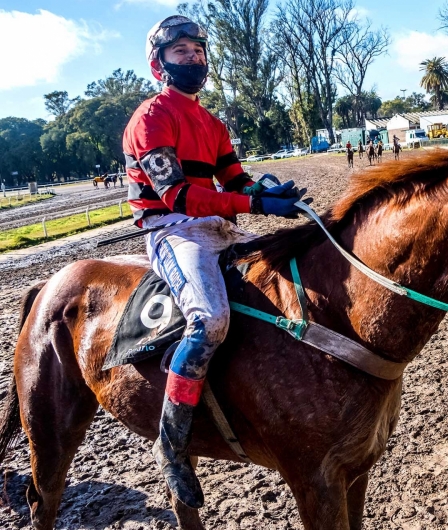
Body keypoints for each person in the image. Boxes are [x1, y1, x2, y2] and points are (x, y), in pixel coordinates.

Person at [122, 15, 309, 509]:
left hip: (217, 225)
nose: (194, 58)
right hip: (172, 229)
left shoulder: (212, 121)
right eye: (181, 51)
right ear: (159, 62)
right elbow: (179, 195)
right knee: (210, 319)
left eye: (198, 50)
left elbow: (234, 181)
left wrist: (266, 191)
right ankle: (172, 442)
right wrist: (253, 206)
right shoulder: (150, 118)